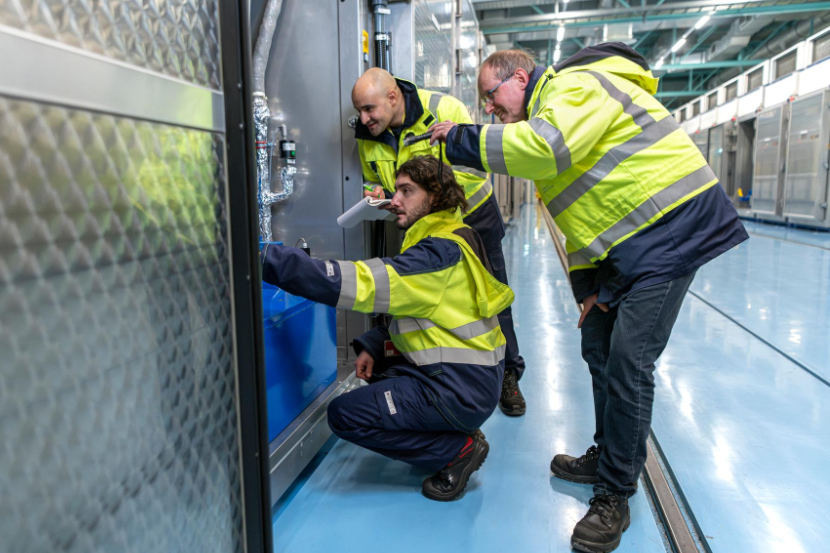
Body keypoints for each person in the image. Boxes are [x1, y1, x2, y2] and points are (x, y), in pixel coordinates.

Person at [430, 44, 749, 552]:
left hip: (671, 232)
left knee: (629, 361)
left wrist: (461, 140)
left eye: (491, 96)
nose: (489, 107)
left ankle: (615, 495)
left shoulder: (571, 90)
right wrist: (588, 287)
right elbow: (575, 216)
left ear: (521, 76)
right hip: (625, 251)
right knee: (597, 347)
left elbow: (543, 149)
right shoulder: (549, 115)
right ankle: (609, 454)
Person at [260, 156, 514, 501]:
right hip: (472, 380)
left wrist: (269, 260)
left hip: (458, 388)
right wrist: (376, 344)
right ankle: (451, 427)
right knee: (379, 376)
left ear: (435, 195)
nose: (394, 201)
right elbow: (431, 313)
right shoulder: (454, 234)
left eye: (406, 191)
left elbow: (361, 283)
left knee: (345, 415)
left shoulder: (437, 253)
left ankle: (456, 450)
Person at [351, 68, 527, 416]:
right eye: (359, 111)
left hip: (473, 218)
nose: (363, 118)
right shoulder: (367, 135)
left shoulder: (443, 108)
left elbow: (473, 169)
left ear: (392, 97)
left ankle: (508, 374)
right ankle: (433, 372)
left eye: (369, 109)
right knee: (427, 301)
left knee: (491, 298)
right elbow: (373, 180)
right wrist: (380, 194)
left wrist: (421, 196)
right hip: (424, 228)